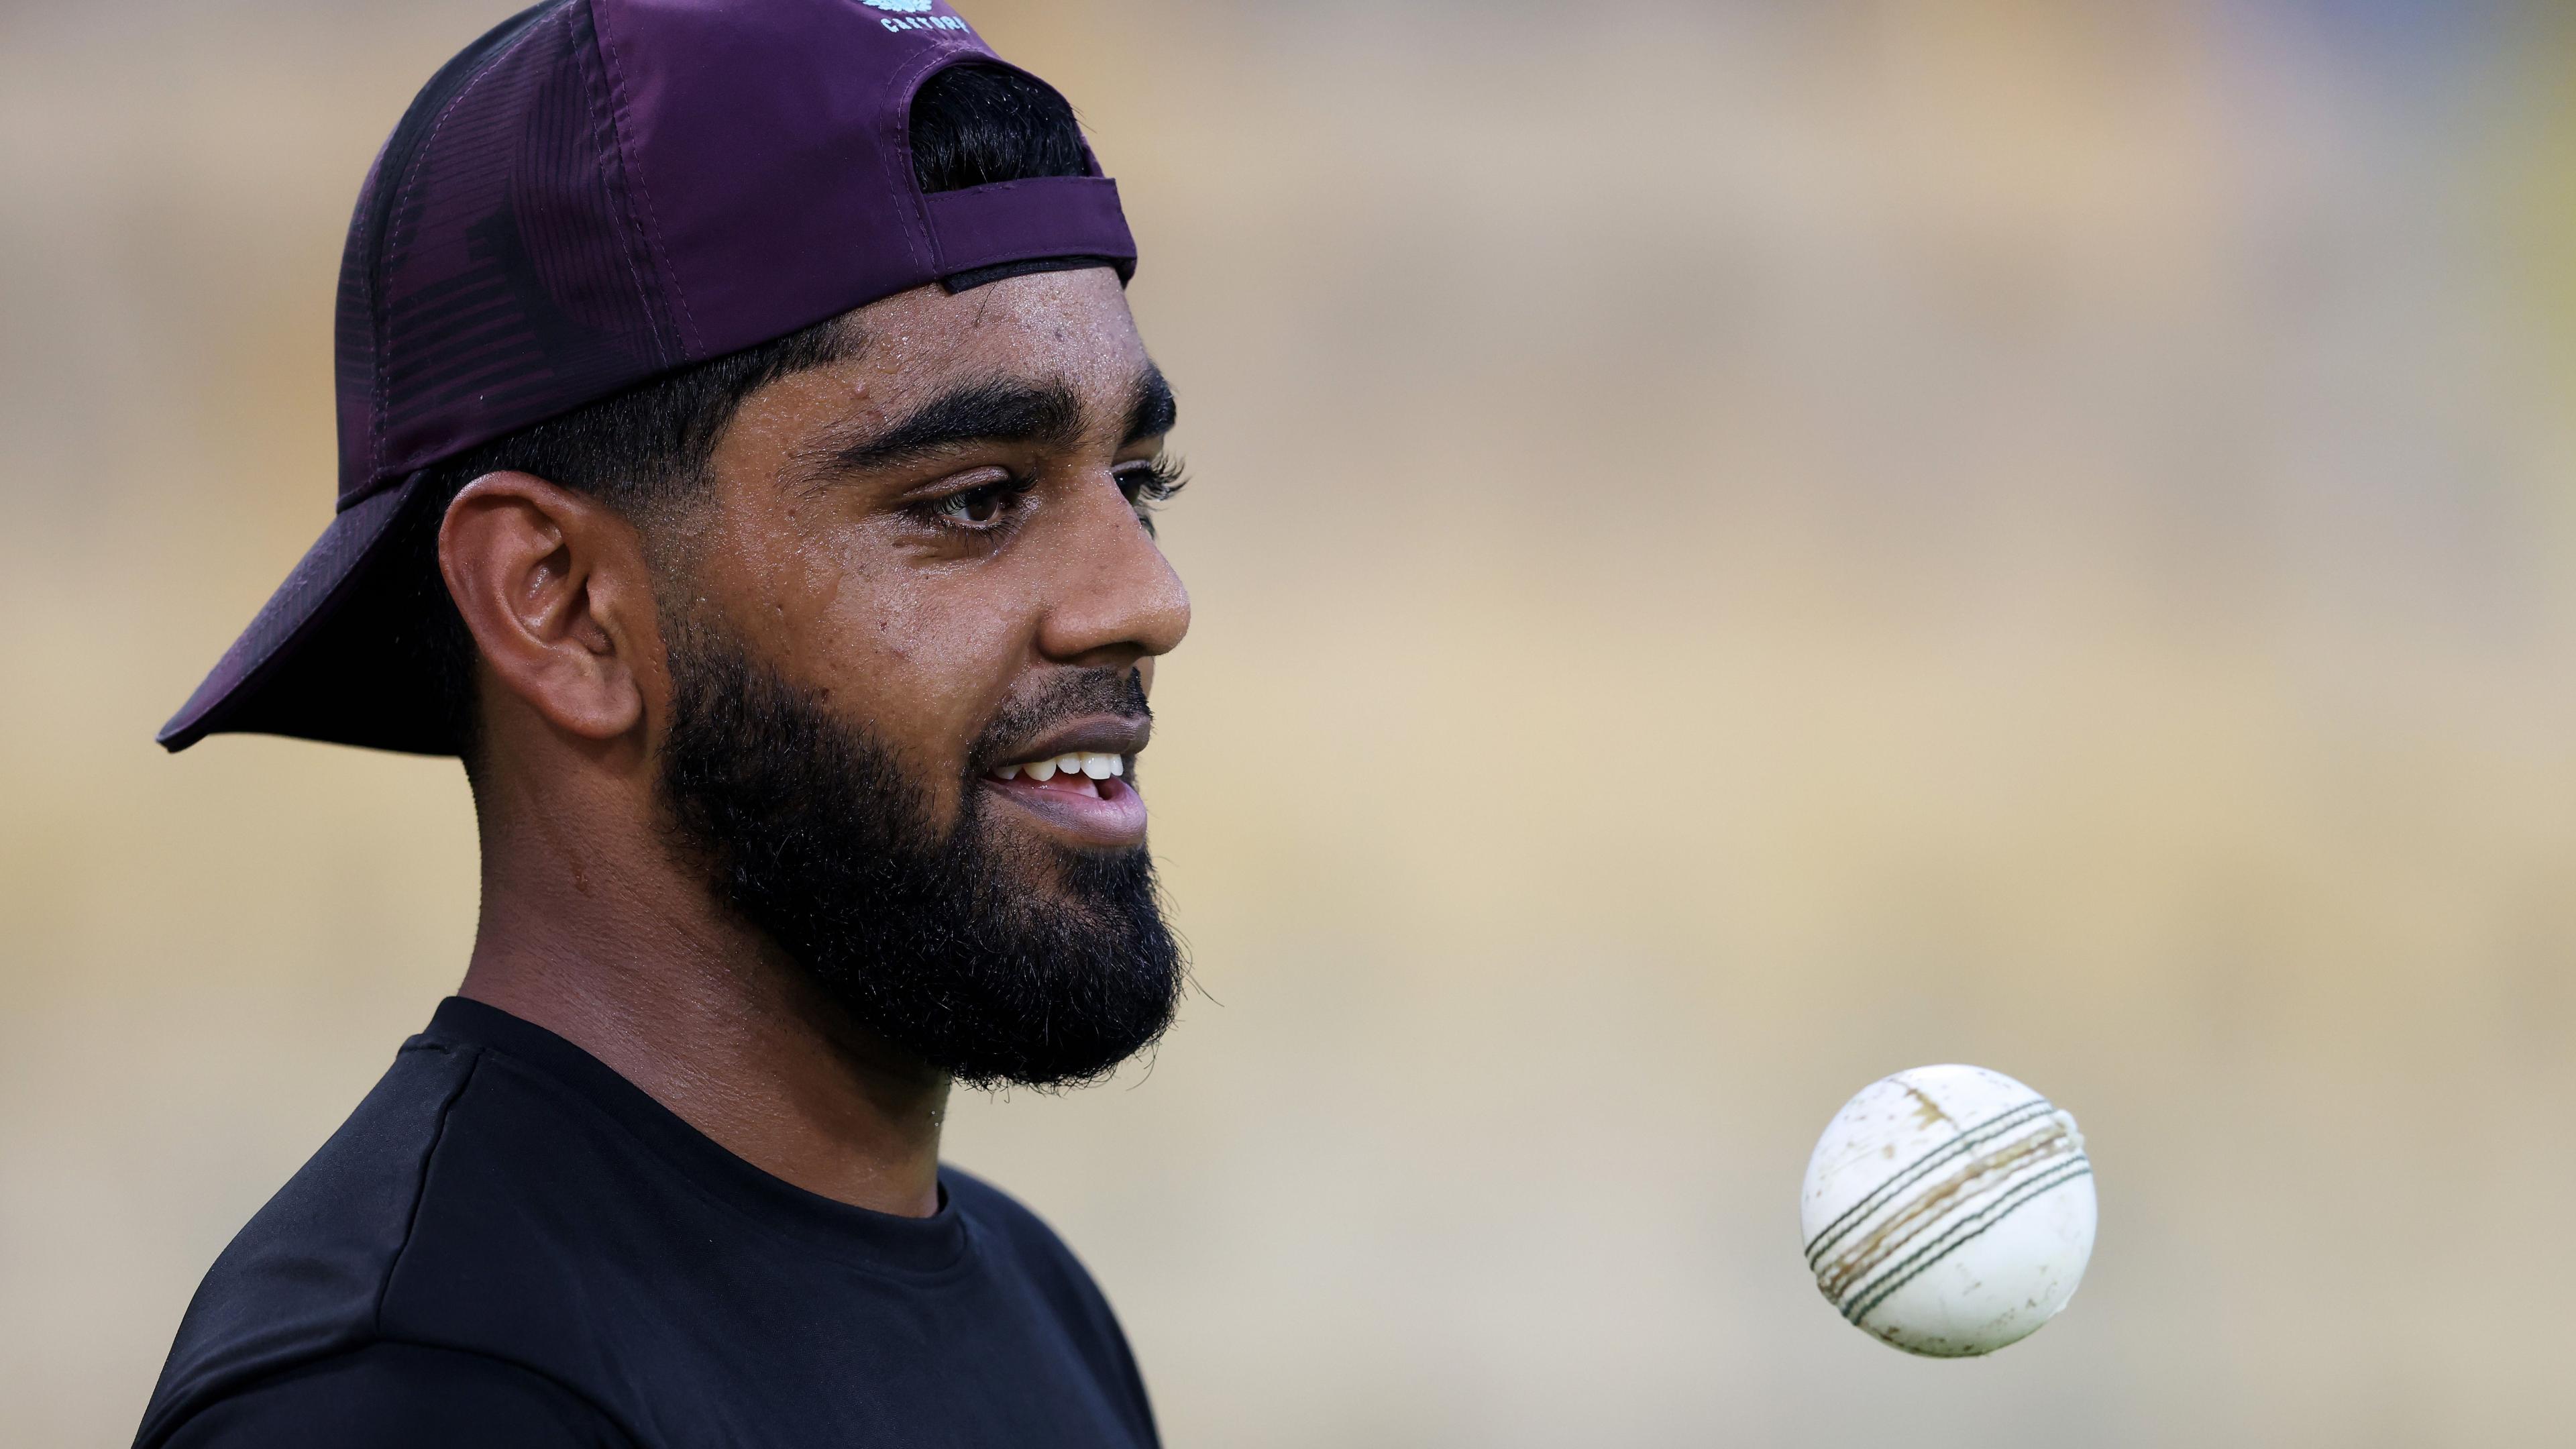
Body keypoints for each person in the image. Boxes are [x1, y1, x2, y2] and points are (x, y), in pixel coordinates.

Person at [134, 2, 1189, 1445]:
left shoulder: (1036, 1306)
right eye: (972, 499)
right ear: (561, 607)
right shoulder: (414, 1397)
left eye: (1139, 480)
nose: (1145, 597)